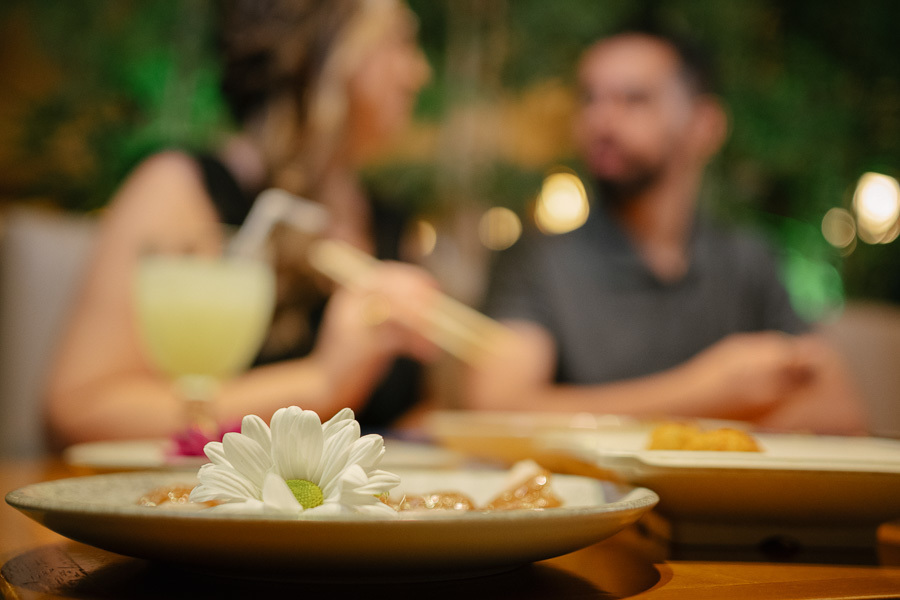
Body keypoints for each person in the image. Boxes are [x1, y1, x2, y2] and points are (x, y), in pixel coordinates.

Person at [46, 0, 438, 446]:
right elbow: (80, 411)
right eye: (399, 43)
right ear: (330, 53)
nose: (418, 72)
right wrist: (321, 384)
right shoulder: (184, 191)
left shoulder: (389, 223)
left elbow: (410, 419)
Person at [466, 29, 866, 434]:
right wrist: (707, 392)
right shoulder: (538, 260)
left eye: (634, 99)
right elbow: (498, 409)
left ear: (705, 125)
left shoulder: (749, 260)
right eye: (590, 98)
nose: (601, 120)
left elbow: (839, 414)